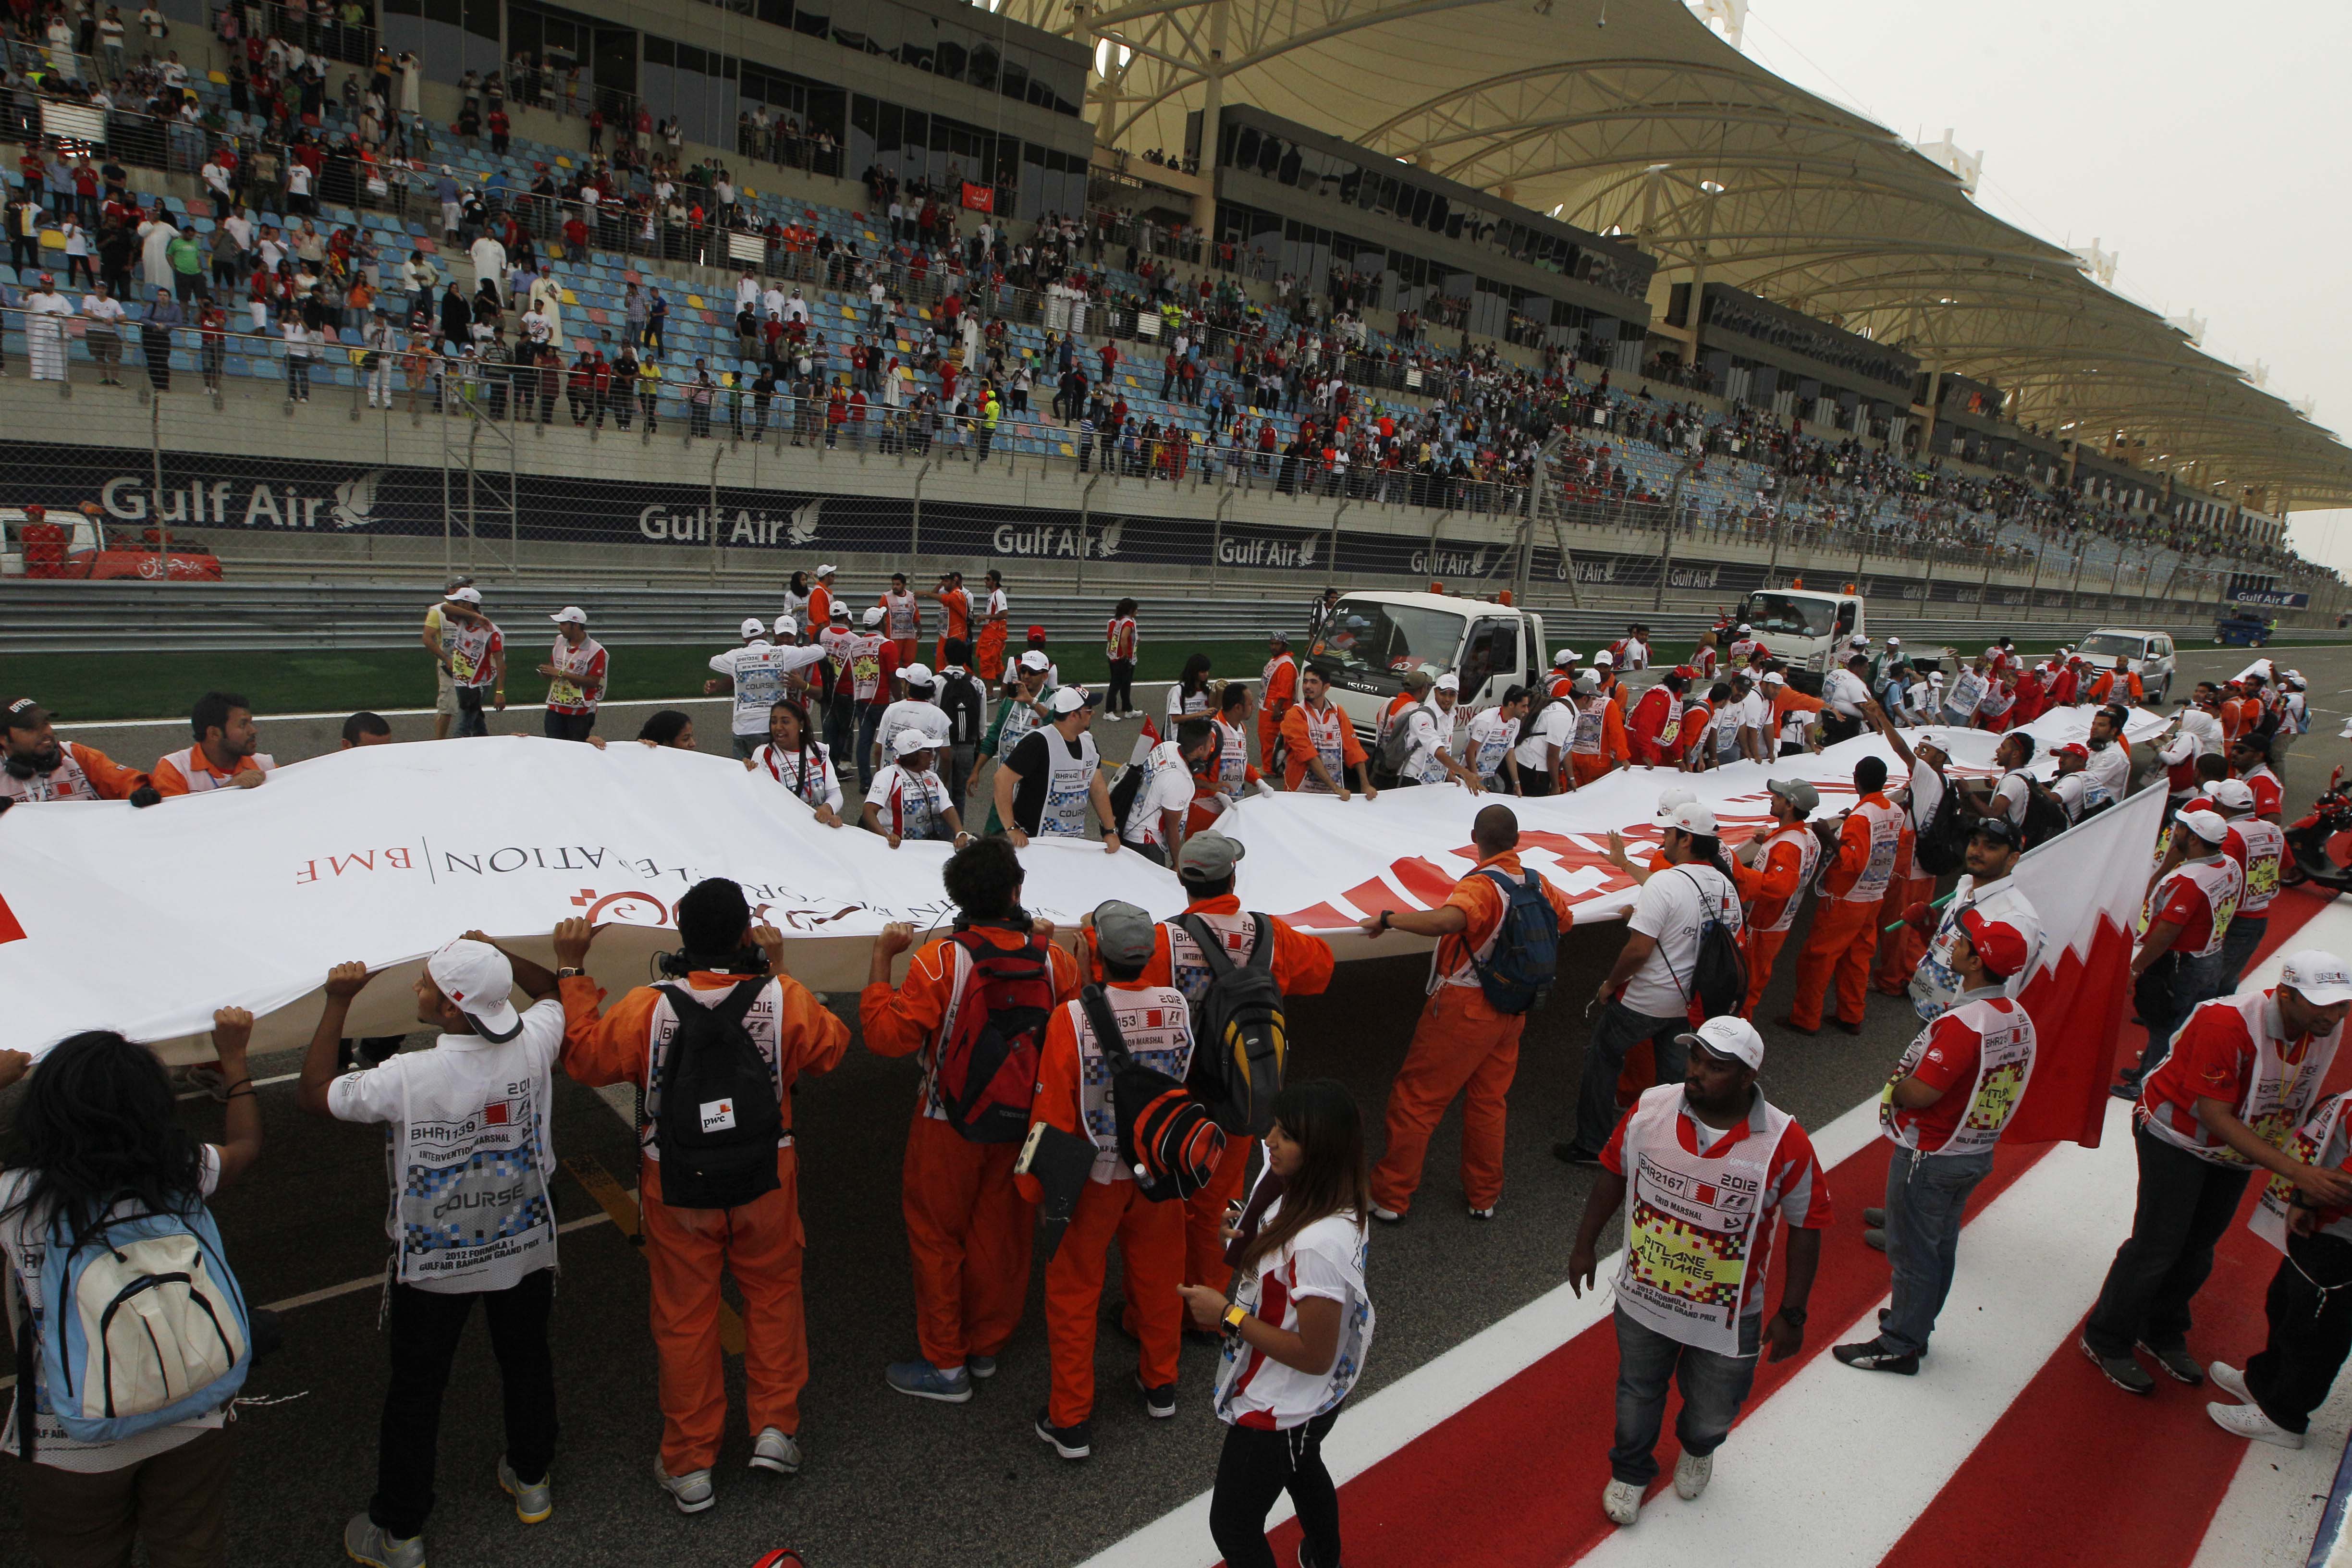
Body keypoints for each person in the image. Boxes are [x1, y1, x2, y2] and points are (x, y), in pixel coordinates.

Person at [557, 882, 850, 1511]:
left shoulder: (647, 1006)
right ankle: (775, 1427)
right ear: (749, 933)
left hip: (677, 1185)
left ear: (679, 939)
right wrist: (784, 974)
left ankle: (690, 1462)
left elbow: (584, 1060)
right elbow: (830, 1051)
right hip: (766, 1176)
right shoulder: (781, 994)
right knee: (773, 1298)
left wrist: (572, 972)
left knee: (686, 1319)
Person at [297, 938, 566, 1568]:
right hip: (523, 1245)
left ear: (450, 1010)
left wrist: (338, 1002)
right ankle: (532, 1480)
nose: (414, 989)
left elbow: (316, 1093)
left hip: (435, 1263)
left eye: (424, 984)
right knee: (526, 1361)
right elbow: (554, 991)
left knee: (418, 1390)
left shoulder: (406, 1077)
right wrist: (496, 950)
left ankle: (401, 1530)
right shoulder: (536, 1041)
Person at [0, 1014, 260, 1565]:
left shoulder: (18, 1198)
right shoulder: (182, 1172)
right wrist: (233, 1059)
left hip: (70, 1438)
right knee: (191, 1548)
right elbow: (244, 1143)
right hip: (197, 1406)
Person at [1568, 1015, 1828, 1526]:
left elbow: (1808, 1224)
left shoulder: (1785, 1142)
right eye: (1695, 1058)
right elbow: (1613, 1174)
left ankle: (1699, 1446)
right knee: (1638, 1389)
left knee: (1713, 1406)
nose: (1697, 1073)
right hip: (1645, 1301)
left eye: (1716, 1067)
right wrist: (1583, 1247)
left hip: (1729, 1319)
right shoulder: (1648, 1109)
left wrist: (1792, 1313)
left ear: (1748, 1077)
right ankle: (1631, 1470)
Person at [861, 838, 1082, 1402]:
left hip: (947, 1123)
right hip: (1026, 1124)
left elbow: (888, 1039)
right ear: (1017, 892)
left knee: (937, 1237)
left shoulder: (940, 960)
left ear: (956, 896)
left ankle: (944, 1362)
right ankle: (987, 1346)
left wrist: (882, 961)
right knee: (1003, 1238)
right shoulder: (1056, 961)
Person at [2083, 953, 2352, 1396]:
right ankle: (2106, 1336)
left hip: (2240, 1150)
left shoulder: (2322, 1026)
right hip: (2178, 1137)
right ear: (2285, 994)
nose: (2333, 1016)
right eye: (2321, 1005)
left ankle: (2162, 1328)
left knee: (2200, 1244)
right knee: (2158, 1245)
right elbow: (2215, 1115)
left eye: (2342, 1005)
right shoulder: (2226, 1025)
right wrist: (2296, 1174)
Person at [1019, 901, 1200, 1458]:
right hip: (1159, 1168)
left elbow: (1050, 1111)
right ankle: (1161, 1383)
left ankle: (1071, 1418)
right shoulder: (1176, 1005)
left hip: (1095, 1175)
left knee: (1074, 1293)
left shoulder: (1070, 1018)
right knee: (1160, 1279)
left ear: (1093, 949)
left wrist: (1037, 1189)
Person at [1835, 906, 2042, 1374]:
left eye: (1966, 943)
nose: (1959, 944)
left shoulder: (1965, 1025)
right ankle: (1916, 1321)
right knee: (1938, 1246)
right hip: (1973, 1150)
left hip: (1931, 1153)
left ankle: (1902, 1342)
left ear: (1974, 963)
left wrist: (1898, 1086)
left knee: (1911, 1253)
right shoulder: (2016, 1016)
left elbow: (1923, 1091)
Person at [1180, 1081, 1374, 1568]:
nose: (1268, 1140)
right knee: (1304, 1465)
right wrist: (1246, 1226)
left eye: (1285, 1135)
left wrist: (1226, 1316)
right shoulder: (1332, 1197)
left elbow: (1314, 1354)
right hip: (1312, 1399)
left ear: (1318, 1152)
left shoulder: (1317, 1245)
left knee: (1233, 1526)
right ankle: (1324, 1556)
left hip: (1283, 1402)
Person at [1362, 804, 1571, 1220]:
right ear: (1516, 839)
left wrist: (1389, 919)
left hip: (1465, 1007)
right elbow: (1563, 923)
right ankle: (1484, 1196)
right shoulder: (1537, 882)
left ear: (1476, 838)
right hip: (1513, 1008)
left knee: (1417, 1100)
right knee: (1489, 1101)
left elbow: (1448, 921)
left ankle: (1391, 1196)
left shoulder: (1481, 886)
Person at [1556, 802, 1743, 1165]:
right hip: (1693, 1002)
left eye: (1668, 833)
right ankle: (1674, 1146)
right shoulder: (1725, 885)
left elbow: (1638, 950)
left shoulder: (1667, 882)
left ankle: (1592, 1144)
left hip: (1646, 999)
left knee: (1603, 1058)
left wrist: (1610, 984)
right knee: (1676, 1079)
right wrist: (1623, 863)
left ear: (1686, 839)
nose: (1662, 840)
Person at [2210, 1078, 2352, 1449]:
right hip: (2329, 1224)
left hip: (2342, 1233)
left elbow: (2347, 1179)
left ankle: (2285, 1415)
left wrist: (2306, 1199)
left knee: (2315, 1327)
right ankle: (2265, 1381)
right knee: (2286, 1302)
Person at [2115, 807, 2246, 1101]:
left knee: (2165, 1023)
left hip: (2180, 962)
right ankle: (2149, 1070)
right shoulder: (2231, 865)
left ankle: (2148, 1083)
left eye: (2183, 829)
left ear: (2196, 839)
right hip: (2209, 955)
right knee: (2180, 1022)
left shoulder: (2189, 880)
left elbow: (2167, 931)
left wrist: (2135, 969)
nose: (2177, 832)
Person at [1784, 755, 1904, 1036]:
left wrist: (1828, 835)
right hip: (1875, 895)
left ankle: (1805, 1019)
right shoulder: (1895, 810)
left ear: (1856, 780)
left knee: (1819, 957)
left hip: (1846, 899)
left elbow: (1854, 861)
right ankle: (1851, 1016)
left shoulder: (1862, 817)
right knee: (1858, 958)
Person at [1904, 817, 2038, 1022]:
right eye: (1974, 843)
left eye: (1991, 847)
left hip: (1963, 1023)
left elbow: (2003, 991)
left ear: (2012, 859)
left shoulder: (2015, 918)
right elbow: (1958, 952)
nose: (1976, 851)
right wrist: (1928, 931)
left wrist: (1967, 1031)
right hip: (1930, 1011)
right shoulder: (1965, 886)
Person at [1730, 778, 1821, 1018]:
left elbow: (1781, 885)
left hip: (1765, 923)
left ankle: (1733, 1036)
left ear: (1790, 805)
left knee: (1745, 985)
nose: (1772, 798)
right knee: (1755, 979)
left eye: (1778, 796)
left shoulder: (1788, 845)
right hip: (1778, 921)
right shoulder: (1805, 836)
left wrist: (1737, 872)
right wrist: (1770, 839)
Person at [992, 686, 1122, 854]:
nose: (1093, 714)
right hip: (1035, 842)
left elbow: (1097, 787)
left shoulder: (1088, 742)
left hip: (1071, 843)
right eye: (1089, 710)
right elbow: (1002, 780)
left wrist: (1110, 831)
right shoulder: (1038, 742)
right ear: (1074, 715)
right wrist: (1011, 828)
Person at [0, 695, 160, 806]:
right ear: (3, 739)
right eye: (30, 729)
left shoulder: (75, 756)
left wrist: (142, 792)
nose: (45, 733)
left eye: (45, 724)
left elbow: (127, 782)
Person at [707, 616, 827, 762]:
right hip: (774, 725)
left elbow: (820, 694)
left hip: (788, 722)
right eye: (781, 635)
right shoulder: (783, 654)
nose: (784, 640)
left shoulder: (791, 655)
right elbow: (820, 651)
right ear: (769, 634)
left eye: (789, 636)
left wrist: (802, 685)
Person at [2210, 777, 2285, 991]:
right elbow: (2286, 867)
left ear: (2220, 806)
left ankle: (2185, 1022)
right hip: (2259, 915)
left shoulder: (2229, 835)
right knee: (2230, 977)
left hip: (2231, 919)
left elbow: (2219, 878)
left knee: (2209, 979)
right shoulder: (2273, 830)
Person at [1118, 719, 1219, 864]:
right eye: (1210, 742)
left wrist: (1210, 786)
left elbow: (1168, 783)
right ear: (1200, 749)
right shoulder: (1179, 779)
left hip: (1130, 822)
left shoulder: (1168, 747)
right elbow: (1172, 829)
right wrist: (1178, 864)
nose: (1212, 745)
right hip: (1146, 842)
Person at [1280, 667, 1378, 799]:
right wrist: (1336, 789)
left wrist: (1365, 785)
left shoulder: (1338, 713)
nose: (1307, 686)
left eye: (1314, 682)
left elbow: (1354, 749)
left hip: (1331, 793)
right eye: (1305, 681)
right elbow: (1309, 756)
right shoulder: (1295, 714)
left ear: (1326, 687)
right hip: (1300, 791)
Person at [862, 731, 971, 848]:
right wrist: (886, 837)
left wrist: (960, 833)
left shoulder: (932, 777)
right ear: (913, 755)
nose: (933, 755)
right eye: (929, 752)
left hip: (928, 846)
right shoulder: (888, 775)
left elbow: (947, 808)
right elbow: (869, 811)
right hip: (898, 848)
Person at [152, 691, 274, 794]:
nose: (253, 731)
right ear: (214, 733)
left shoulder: (267, 766)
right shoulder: (175, 768)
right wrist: (230, 788)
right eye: (243, 725)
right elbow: (171, 818)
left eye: (251, 723)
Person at [747, 698, 844, 826]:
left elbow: (835, 794)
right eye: (774, 722)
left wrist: (828, 808)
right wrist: (746, 773)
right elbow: (765, 801)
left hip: (819, 828)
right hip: (787, 829)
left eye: (785, 722)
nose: (778, 727)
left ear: (801, 725)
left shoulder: (819, 750)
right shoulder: (764, 755)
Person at [437, 588, 504, 739]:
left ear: (467, 605)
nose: (453, 605)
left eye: (457, 602)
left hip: (477, 684)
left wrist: (500, 692)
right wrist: (474, 615)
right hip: (461, 680)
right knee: (477, 723)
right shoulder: (462, 620)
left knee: (463, 727)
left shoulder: (491, 632)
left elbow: (500, 661)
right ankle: (484, 742)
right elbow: (444, 607)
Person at [932, 640, 989, 810]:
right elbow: (982, 724)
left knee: (942, 795)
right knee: (960, 795)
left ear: (945, 657)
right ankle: (959, 833)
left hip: (943, 746)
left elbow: (933, 716)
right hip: (967, 746)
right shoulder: (978, 684)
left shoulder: (936, 682)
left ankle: (942, 835)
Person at [537, 605, 606, 741]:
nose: (559, 627)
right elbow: (554, 666)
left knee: (577, 749)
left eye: (563, 624)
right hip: (555, 707)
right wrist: (547, 672)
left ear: (575, 625)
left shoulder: (596, 650)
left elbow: (593, 682)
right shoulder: (559, 641)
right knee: (554, 746)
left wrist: (561, 673)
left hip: (580, 711)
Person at [1104, 598, 1140, 715]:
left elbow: (1112, 637)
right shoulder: (1128, 623)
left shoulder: (1117, 621)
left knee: (1125, 683)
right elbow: (1123, 638)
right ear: (1131, 610)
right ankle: (1109, 711)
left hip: (1114, 655)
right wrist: (1125, 654)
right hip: (1122, 658)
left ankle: (1128, 708)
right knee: (1116, 685)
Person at [973, 569, 1009, 682]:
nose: (985, 581)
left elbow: (1004, 614)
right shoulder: (993, 595)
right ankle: (1007, 691)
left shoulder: (998, 595)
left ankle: (989, 694)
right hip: (991, 632)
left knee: (987, 662)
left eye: (988, 579)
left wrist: (985, 617)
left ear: (995, 581)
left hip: (994, 634)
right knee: (997, 664)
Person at [880, 571, 922, 666]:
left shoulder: (911, 597)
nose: (895, 587)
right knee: (893, 661)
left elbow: (915, 613)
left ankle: (907, 679)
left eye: (898, 584)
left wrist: (919, 627)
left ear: (904, 585)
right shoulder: (886, 597)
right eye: (893, 584)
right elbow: (881, 616)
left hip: (909, 635)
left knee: (909, 661)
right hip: (893, 635)